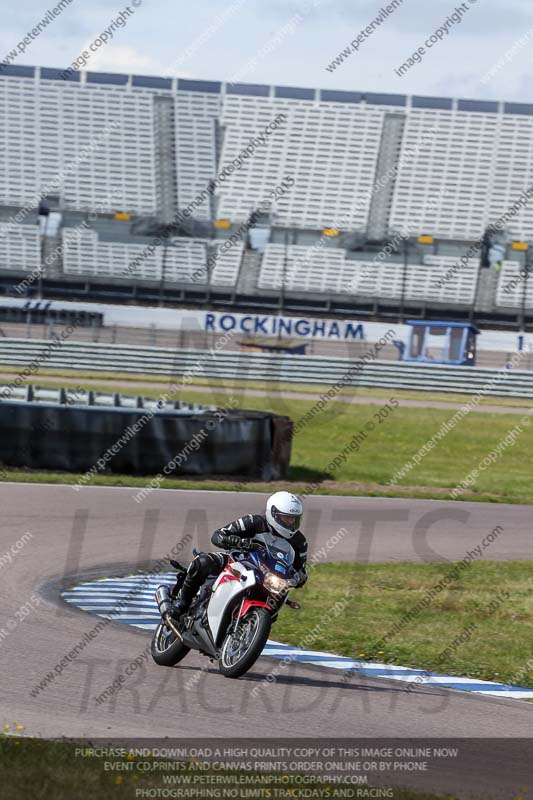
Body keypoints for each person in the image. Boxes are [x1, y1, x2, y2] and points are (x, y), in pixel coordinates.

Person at [170, 491, 308, 617]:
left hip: (267, 577)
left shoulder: (300, 542)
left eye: (294, 519)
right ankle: (182, 604)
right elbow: (218, 535)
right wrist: (233, 540)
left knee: (276, 603)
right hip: (238, 561)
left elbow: (301, 569)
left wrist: (300, 578)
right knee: (203, 562)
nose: (291, 522)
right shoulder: (254, 522)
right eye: (286, 518)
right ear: (273, 514)